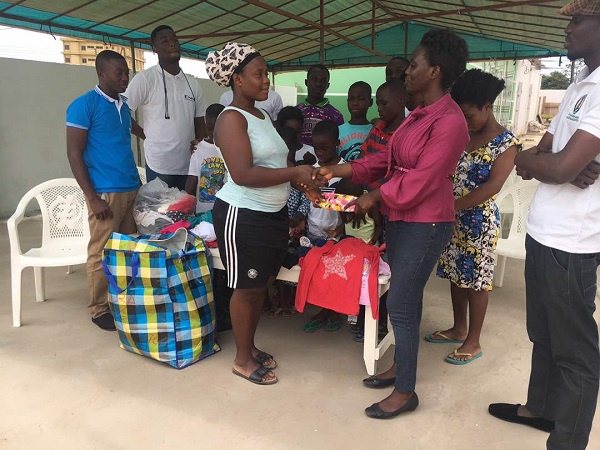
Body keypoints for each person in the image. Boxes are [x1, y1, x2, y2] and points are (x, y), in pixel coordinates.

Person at [314, 28, 469, 418]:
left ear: (434, 71)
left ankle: (406, 391)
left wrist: (374, 196)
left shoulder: (450, 122)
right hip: (401, 220)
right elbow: (383, 161)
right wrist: (336, 169)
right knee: (406, 302)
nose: (407, 71)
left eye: (414, 64)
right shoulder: (417, 115)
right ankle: (402, 367)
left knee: (400, 300)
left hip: (426, 223)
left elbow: (421, 179)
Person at [489, 1, 600, 448]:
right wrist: (549, 162)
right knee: (544, 333)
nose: (568, 30)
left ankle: (567, 441)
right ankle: (539, 408)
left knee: (574, 351)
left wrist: (553, 164)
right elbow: (535, 154)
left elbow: (554, 164)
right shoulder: (578, 87)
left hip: (572, 242)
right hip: (543, 231)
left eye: (577, 21)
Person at [204, 42, 323, 385]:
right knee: (246, 287)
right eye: (258, 74)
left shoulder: (262, 116)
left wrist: (303, 183)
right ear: (237, 79)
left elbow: (278, 162)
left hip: (272, 214)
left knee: (261, 285)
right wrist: (294, 175)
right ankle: (242, 359)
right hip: (243, 215)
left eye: (266, 73)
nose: (266, 80)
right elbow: (243, 174)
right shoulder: (230, 119)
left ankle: (250, 346)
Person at [427, 69, 520, 364]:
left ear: (487, 107)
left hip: (478, 222)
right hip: (450, 218)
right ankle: (458, 328)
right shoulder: (463, 135)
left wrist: (452, 208)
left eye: (469, 115)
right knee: (456, 275)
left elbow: (493, 186)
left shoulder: (507, 143)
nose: (465, 121)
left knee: (477, 282)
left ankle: (473, 341)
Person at [66, 50, 140, 331]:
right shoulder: (83, 105)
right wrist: (92, 198)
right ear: (101, 74)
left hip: (131, 186)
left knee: (127, 249)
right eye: (118, 73)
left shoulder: (123, 105)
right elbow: (74, 153)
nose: (125, 77)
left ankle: (121, 299)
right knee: (100, 251)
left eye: (127, 73)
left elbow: (133, 133)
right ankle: (98, 309)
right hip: (105, 192)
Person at [125, 25, 207, 191]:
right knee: (159, 215)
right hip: (159, 165)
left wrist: (201, 145)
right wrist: (145, 135)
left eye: (175, 40)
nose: (172, 43)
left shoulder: (193, 84)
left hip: (188, 165)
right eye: (165, 40)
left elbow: (200, 122)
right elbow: (121, 110)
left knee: (185, 214)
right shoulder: (145, 79)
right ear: (155, 48)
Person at [303, 120, 346, 333]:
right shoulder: (313, 170)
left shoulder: (344, 170)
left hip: (335, 231)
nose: (319, 152)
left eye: (325, 148)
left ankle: (334, 312)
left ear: (337, 143)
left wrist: (340, 230)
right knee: (318, 273)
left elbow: (350, 204)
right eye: (316, 147)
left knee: (334, 274)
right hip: (314, 228)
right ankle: (323, 310)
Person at [185, 103, 226, 213]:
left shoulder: (230, 148)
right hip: (203, 212)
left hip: (224, 210)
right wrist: (189, 210)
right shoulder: (198, 149)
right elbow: (191, 183)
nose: (213, 134)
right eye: (209, 129)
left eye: (217, 130)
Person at [296, 64, 344, 145]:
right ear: (306, 82)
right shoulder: (296, 112)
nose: (318, 84)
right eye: (314, 79)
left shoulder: (336, 116)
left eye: (323, 81)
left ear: (327, 85)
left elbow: (339, 144)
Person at [337, 81, 373, 161]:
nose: (355, 103)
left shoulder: (375, 131)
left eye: (361, 99)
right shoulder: (338, 130)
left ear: (370, 102)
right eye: (351, 99)